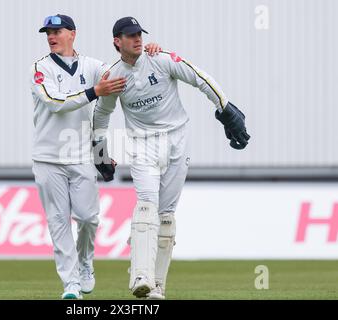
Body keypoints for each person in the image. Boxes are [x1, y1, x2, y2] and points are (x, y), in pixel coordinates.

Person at [92, 17, 250, 299]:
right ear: (117, 41)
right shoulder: (113, 76)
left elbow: (200, 78)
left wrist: (225, 109)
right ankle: (141, 274)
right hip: (143, 145)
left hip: (178, 139)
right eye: (130, 35)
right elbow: (102, 113)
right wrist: (99, 150)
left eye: (139, 34)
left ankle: (158, 286)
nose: (137, 39)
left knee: (165, 217)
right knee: (146, 205)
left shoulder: (161, 59)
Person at [30, 14, 161, 299]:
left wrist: (149, 53)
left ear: (72, 34)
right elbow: (54, 104)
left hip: (80, 157)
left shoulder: (92, 67)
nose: (51, 37)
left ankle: (85, 262)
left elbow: (122, 72)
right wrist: (94, 92)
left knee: (89, 219)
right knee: (58, 222)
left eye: (57, 31)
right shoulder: (40, 68)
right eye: (48, 33)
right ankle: (71, 284)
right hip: (47, 158)